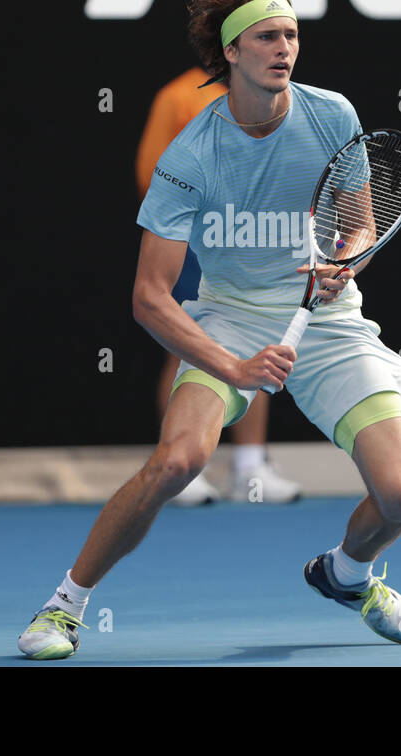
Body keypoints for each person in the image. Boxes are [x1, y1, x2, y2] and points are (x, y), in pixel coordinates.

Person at [19, 0, 401, 659]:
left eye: (292, 35)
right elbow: (150, 296)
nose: (285, 47)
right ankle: (64, 607)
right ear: (232, 51)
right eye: (268, 36)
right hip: (230, 318)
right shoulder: (191, 156)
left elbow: (357, 226)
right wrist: (232, 365)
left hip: (328, 322)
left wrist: (344, 263)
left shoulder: (332, 117)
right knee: (177, 461)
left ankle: (346, 575)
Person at [135, 67, 300, 505]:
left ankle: (250, 468)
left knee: (258, 336)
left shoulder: (277, 100)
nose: (274, 48)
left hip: (252, 238)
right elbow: (153, 178)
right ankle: (182, 469)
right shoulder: (177, 95)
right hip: (195, 241)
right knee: (187, 342)